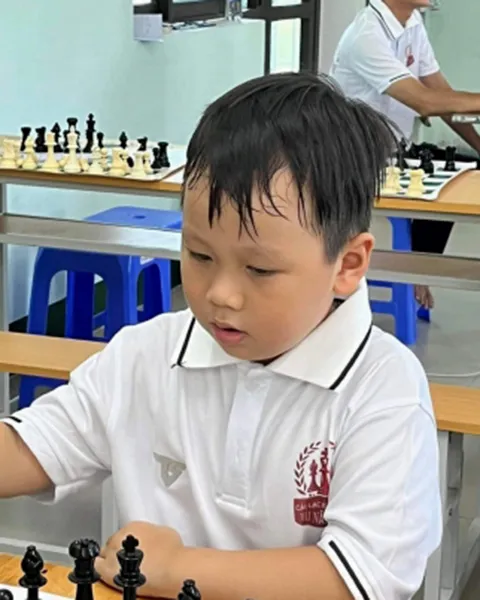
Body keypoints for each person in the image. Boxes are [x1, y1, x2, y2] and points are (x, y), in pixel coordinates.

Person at [0, 73, 441, 600]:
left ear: (347, 264)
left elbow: (356, 579)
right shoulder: (147, 355)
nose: (220, 294)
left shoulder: (383, 390)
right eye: (200, 255)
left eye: (259, 269)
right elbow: (32, 448)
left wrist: (179, 567)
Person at [329, 0, 480, 310]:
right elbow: (425, 102)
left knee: (461, 170)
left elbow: (443, 96)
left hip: (394, 151)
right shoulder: (366, 35)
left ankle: (419, 270)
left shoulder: (412, 24)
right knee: (443, 184)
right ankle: (413, 273)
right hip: (354, 159)